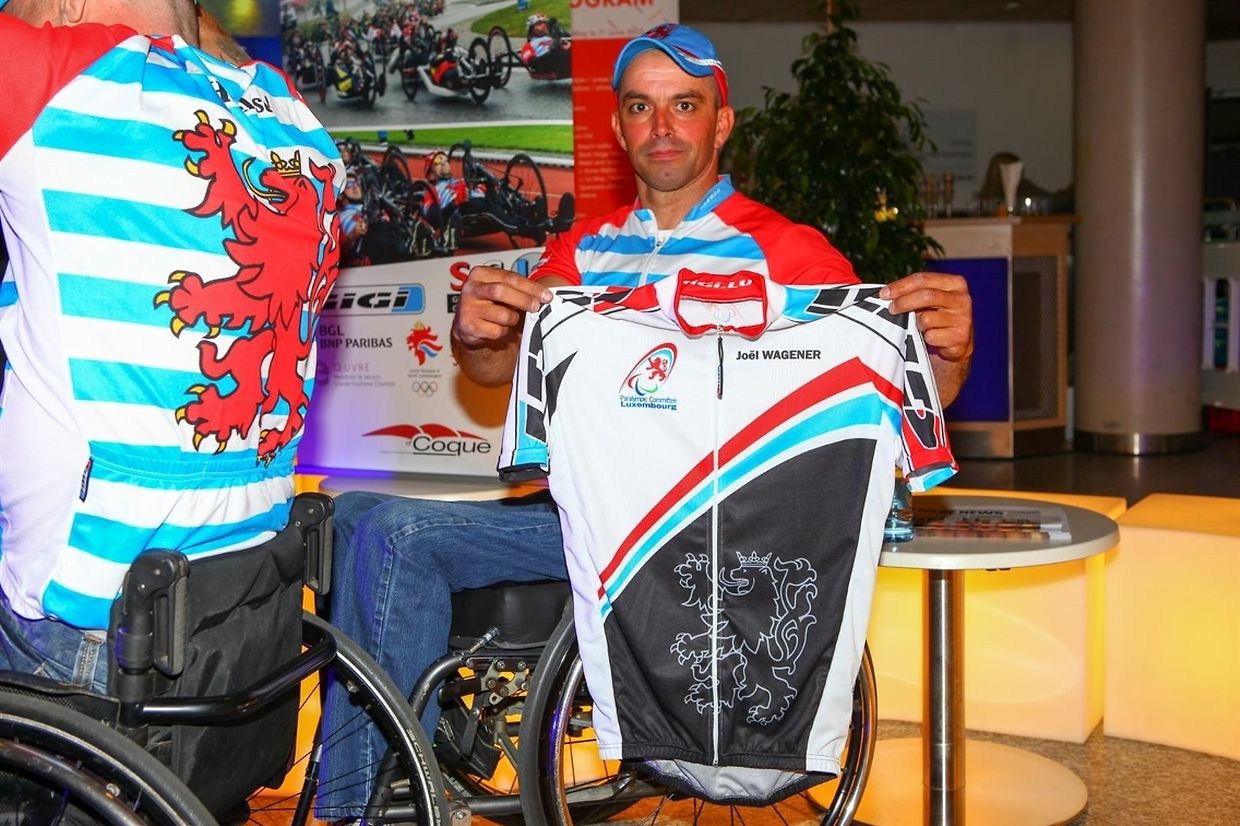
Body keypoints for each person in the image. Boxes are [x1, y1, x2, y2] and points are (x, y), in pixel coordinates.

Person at [320, 22, 973, 819]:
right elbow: (498, 367)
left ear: (721, 123)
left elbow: (884, 395)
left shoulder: (789, 255)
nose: (661, 126)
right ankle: (414, 750)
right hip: (581, 509)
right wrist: (476, 333)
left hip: (693, 530)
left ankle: (359, 809)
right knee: (345, 513)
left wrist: (947, 352)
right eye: (641, 106)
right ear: (620, 126)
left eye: (684, 105)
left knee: (398, 535)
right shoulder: (583, 252)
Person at [0, 0, 342, 698]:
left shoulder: (54, 80)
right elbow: (204, 42)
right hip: (242, 599)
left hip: (83, 618)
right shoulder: (298, 125)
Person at [519, 12, 570, 78]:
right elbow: (531, 61)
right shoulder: (530, 44)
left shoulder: (550, 39)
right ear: (531, 29)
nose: (544, 25)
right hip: (545, 62)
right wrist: (553, 50)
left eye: (545, 23)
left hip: (560, 56)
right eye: (539, 24)